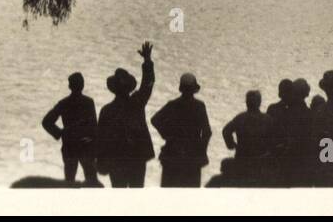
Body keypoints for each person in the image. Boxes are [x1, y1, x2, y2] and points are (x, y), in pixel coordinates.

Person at [96, 41, 156, 188]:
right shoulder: (137, 102)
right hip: (137, 158)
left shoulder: (107, 111)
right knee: (137, 194)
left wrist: (100, 163)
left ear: (114, 89)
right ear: (129, 88)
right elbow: (148, 83)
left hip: (116, 161)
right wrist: (147, 60)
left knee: (119, 197)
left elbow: (100, 140)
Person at [151, 72, 213, 188]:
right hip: (192, 158)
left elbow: (155, 120)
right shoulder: (199, 106)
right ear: (194, 89)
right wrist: (201, 149)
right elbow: (207, 132)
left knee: (169, 193)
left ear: (181, 88)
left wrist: (167, 135)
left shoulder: (172, 105)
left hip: (172, 154)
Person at [41, 72, 99, 185]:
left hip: (69, 146)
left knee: (69, 179)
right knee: (91, 178)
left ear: (70, 86)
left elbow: (46, 122)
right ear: (83, 85)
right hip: (85, 145)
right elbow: (93, 127)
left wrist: (60, 133)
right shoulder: (88, 102)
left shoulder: (63, 103)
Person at [221, 90, 267, 185]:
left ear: (247, 103)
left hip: (242, 158)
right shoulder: (267, 119)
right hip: (260, 161)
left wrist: (232, 145)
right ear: (259, 102)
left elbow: (226, 131)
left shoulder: (240, 118)